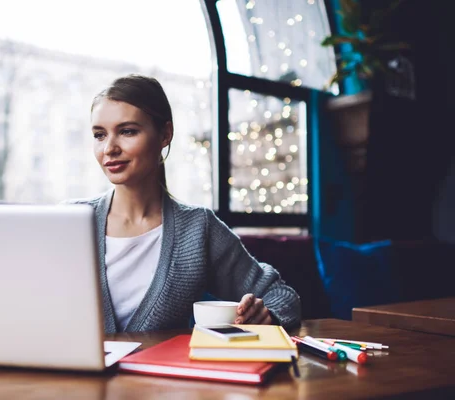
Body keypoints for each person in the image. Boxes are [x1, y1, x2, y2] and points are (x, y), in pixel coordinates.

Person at [71, 74, 301, 334]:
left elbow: (282, 295)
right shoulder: (70, 221)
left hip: (162, 374)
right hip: (71, 373)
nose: (109, 148)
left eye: (127, 131)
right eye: (99, 135)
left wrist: (265, 313)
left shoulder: (197, 229)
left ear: (165, 134)